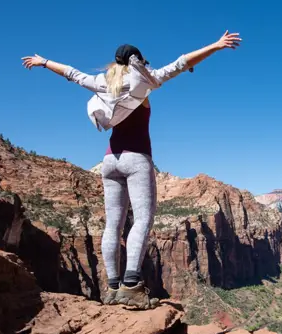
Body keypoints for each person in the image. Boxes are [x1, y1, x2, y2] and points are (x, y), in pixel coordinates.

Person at [21, 31, 242, 308]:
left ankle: (112, 288)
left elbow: (73, 74)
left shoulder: (103, 83)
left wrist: (44, 62)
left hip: (109, 161)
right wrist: (216, 46)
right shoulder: (143, 82)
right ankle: (131, 285)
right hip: (136, 159)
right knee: (142, 220)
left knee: (113, 225)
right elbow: (181, 62)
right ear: (137, 61)